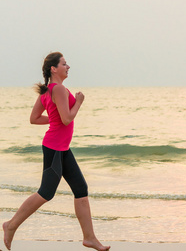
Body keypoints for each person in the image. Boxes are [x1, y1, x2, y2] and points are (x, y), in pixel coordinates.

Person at [2, 52, 110, 251]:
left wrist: (55, 117)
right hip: (54, 148)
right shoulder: (58, 89)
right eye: (64, 64)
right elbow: (67, 119)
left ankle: (90, 238)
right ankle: (11, 225)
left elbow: (35, 118)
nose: (68, 67)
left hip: (61, 148)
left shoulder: (47, 91)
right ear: (54, 68)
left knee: (81, 190)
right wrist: (78, 102)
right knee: (46, 192)